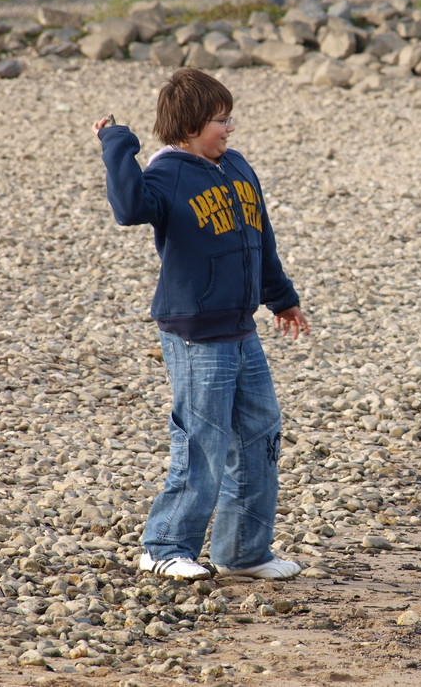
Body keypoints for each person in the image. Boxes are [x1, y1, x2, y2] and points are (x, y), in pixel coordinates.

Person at [92, 68, 309, 581]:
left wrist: (282, 299)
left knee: (260, 435)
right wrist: (117, 145)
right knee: (202, 441)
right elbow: (128, 209)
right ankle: (164, 546)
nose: (228, 129)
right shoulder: (166, 174)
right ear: (189, 125)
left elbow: (262, 239)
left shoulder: (237, 167)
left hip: (241, 328)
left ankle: (244, 551)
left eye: (229, 119)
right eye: (219, 120)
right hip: (194, 332)